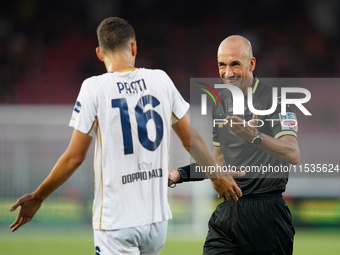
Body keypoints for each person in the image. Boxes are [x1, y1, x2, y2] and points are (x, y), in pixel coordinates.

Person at [8, 17, 244, 255]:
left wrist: (39, 196)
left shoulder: (94, 88)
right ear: (134, 47)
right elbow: (190, 140)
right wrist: (216, 176)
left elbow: (74, 158)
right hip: (156, 221)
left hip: (116, 221)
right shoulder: (160, 79)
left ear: (100, 53)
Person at [172, 35, 300, 255]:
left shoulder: (276, 100)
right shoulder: (220, 104)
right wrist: (180, 174)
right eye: (222, 65)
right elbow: (218, 164)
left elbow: (293, 153)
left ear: (251, 64)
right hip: (228, 213)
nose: (227, 73)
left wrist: (255, 136)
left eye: (235, 64)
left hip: (267, 217)